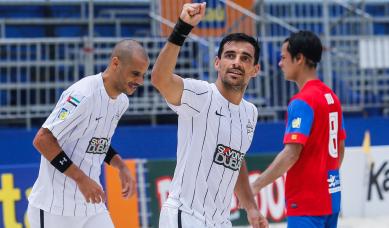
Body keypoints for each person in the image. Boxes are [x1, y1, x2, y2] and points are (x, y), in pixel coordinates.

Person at [151, 2, 268, 228]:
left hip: (220, 221)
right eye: (230, 55)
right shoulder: (201, 95)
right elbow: (160, 79)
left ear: (256, 69)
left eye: (245, 58)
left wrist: (252, 208)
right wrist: (182, 27)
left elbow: (236, 159)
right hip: (185, 215)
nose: (236, 62)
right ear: (217, 63)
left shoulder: (250, 112)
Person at [27, 40, 149, 228]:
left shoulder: (122, 102)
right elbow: (43, 140)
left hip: (91, 207)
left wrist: (120, 165)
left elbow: (96, 141)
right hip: (54, 208)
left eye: (142, 75)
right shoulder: (83, 94)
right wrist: (82, 180)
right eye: (135, 73)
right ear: (115, 63)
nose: (140, 81)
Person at [251, 31, 346, 228]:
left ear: (299, 59)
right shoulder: (331, 96)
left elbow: (291, 154)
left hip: (306, 201)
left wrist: (255, 185)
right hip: (331, 197)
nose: (280, 64)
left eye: (283, 57)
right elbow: (340, 149)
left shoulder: (302, 101)